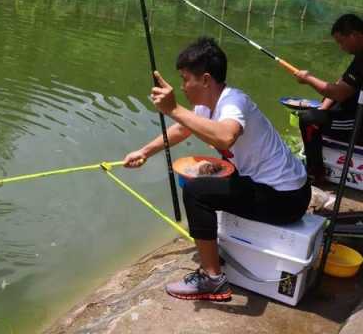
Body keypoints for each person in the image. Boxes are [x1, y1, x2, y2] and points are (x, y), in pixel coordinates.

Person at [123, 37, 310, 301]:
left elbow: (224, 137)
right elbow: (181, 129)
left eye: (185, 79)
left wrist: (173, 108)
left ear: (206, 80)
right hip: (286, 188)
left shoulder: (234, 102)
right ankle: (218, 252)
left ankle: (213, 279)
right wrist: (144, 152)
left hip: (286, 199)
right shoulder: (207, 104)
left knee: (196, 192)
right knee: (207, 173)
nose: (182, 87)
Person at [295, 14, 363, 184]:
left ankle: (316, 173)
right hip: (350, 110)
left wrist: (308, 78)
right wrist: (323, 109)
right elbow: (341, 82)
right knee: (317, 111)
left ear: (354, 35)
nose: (341, 47)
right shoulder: (360, 55)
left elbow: (340, 93)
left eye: (342, 42)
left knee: (308, 120)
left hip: (357, 123)